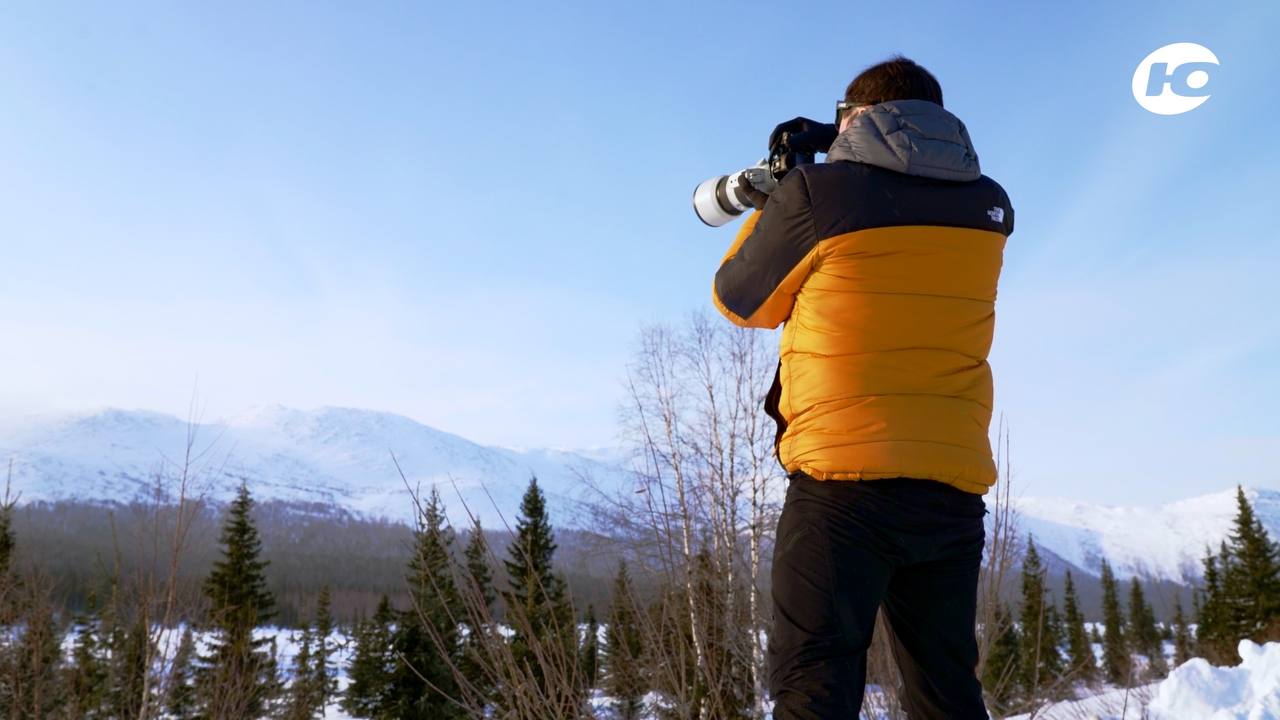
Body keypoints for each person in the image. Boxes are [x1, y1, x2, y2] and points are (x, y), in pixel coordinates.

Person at [712, 56, 1013, 719]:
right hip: (949, 490)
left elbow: (740, 301)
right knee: (946, 694)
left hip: (842, 491)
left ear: (853, 118)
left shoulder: (820, 196)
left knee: (814, 688)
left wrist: (781, 190)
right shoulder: (991, 208)